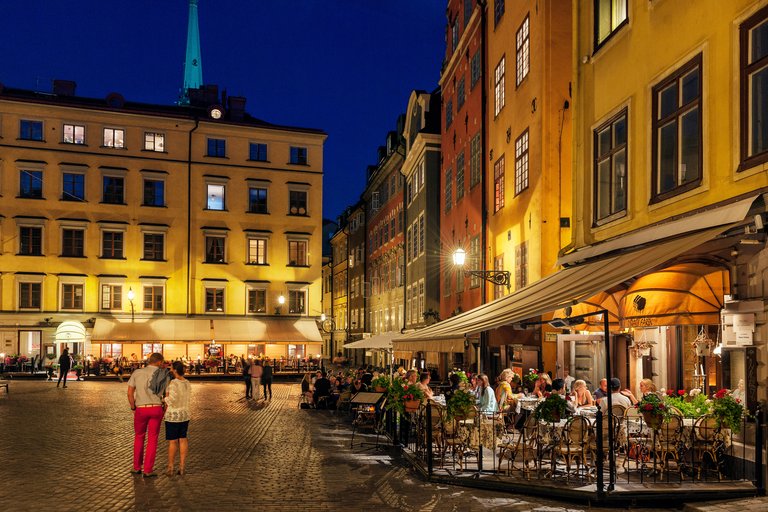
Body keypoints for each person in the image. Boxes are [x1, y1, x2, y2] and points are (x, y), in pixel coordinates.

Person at [127, 352, 165, 477]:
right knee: (152, 439)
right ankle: (148, 469)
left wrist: (133, 407)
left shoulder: (137, 373)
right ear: (159, 362)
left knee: (139, 436)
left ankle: (137, 467)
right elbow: (167, 395)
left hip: (141, 408)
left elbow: (130, 392)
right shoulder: (163, 374)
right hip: (156, 408)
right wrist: (164, 409)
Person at [164, 361, 191, 476]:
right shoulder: (187, 382)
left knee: (173, 442)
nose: (170, 369)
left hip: (173, 415)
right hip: (185, 414)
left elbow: (171, 399)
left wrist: (164, 399)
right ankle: (182, 466)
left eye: (171, 368)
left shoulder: (173, 383)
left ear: (175, 370)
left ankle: (170, 467)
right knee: (183, 439)